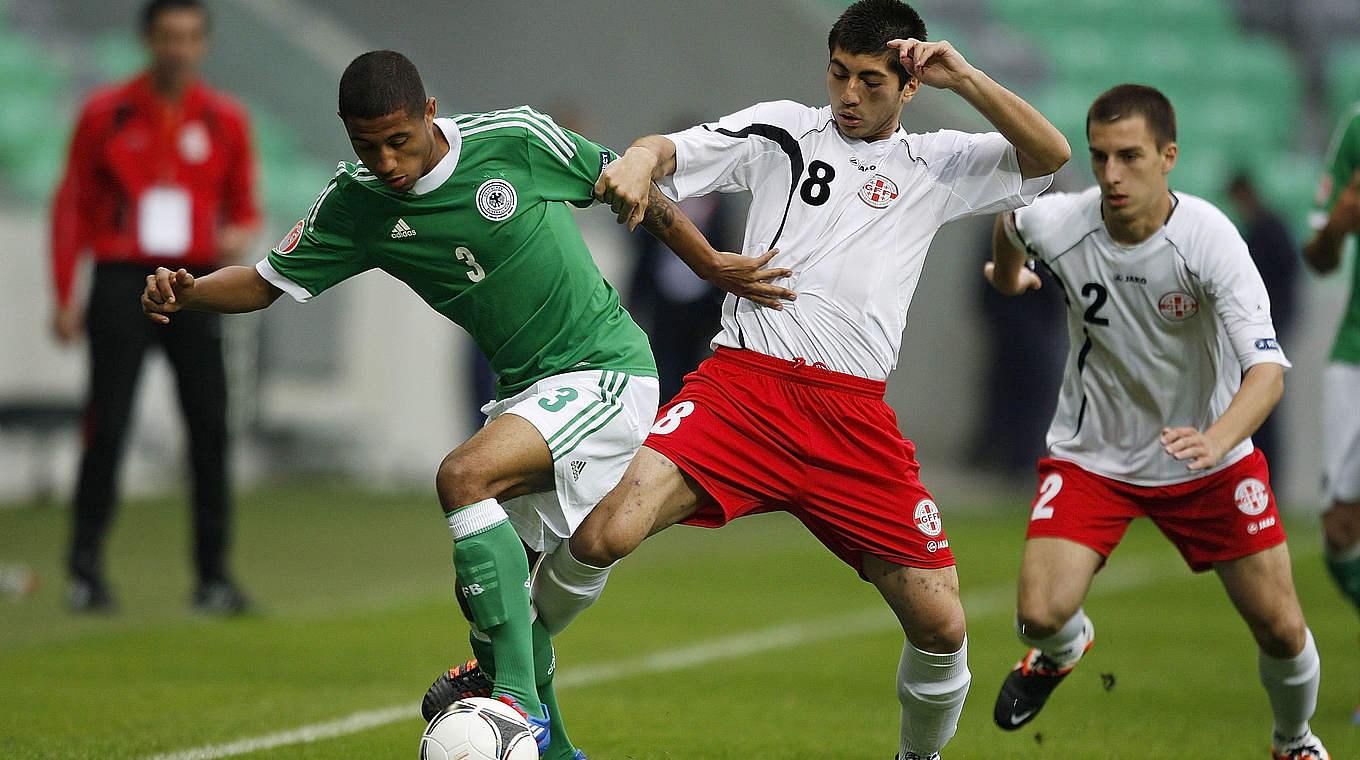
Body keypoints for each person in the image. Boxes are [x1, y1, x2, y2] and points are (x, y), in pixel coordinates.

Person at [442, 3, 1066, 757]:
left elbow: (1048, 153)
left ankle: (918, 756)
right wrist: (640, 162)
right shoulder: (782, 131)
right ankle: (499, 672)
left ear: (909, 87)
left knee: (942, 625)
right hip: (743, 391)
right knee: (606, 532)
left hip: (851, 419)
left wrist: (963, 75)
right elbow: (665, 150)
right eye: (839, 73)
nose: (848, 94)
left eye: (871, 81)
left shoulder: (937, 162)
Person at [141, 50, 790, 760]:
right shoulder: (357, 205)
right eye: (367, 145)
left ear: (427, 113)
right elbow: (266, 282)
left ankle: (509, 700)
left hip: (605, 370)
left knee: (463, 477)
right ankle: (552, 740)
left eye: (399, 140)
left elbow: (629, 188)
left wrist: (711, 263)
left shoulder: (512, 139)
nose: (387, 160)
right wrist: (190, 290)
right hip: (525, 393)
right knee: (492, 596)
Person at [986, 84, 1328, 760]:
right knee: (1038, 615)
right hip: (1094, 458)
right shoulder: (1062, 221)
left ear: (1168, 156)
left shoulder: (1209, 242)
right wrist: (1007, 277)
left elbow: (1267, 373)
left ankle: (1293, 741)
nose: (1111, 175)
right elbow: (1012, 225)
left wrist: (1217, 439)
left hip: (1210, 461)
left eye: (1130, 157)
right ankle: (1064, 648)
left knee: (1283, 630)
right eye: (1100, 157)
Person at [51, 0, 259, 614]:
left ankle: (214, 578)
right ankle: (84, 572)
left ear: (203, 44)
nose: (179, 48)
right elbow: (72, 206)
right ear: (148, 39)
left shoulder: (225, 119)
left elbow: (244, 204)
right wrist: (64, 293)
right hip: (121, 278)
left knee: (209, 429)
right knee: (107, 424)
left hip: (193, 282)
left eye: (191, 37)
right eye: (169, 36)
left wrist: (237, 234)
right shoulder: (105, 113)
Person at [1302, 103, 1360, 725]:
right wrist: (1340, 227)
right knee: (1340, 533)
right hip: (1356, 352)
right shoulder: (1357, 125)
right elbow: (1317, 257)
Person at [1228, 171, 1300, 477]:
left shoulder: (1266, 231)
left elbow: (1284, 285)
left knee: (1261, 407)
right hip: (1263, 329)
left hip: (1265, 331)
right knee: (1260, 408)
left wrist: (1274, 327)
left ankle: (1265, 477)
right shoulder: (1262, 229)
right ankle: (1260, 477)